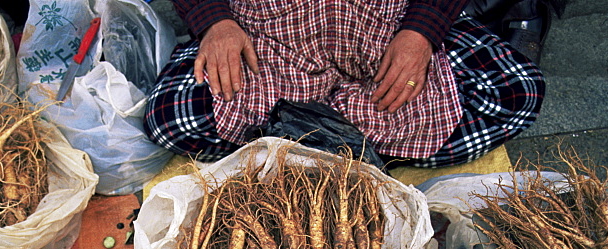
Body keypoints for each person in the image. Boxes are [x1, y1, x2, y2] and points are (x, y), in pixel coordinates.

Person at [143, 0, 546, 168]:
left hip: (383, 34)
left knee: (517, 89)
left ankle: (319, 146)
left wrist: (423, 31)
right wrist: (214, 20)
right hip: (269, 39)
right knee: (168, 118)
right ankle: (334, 145)